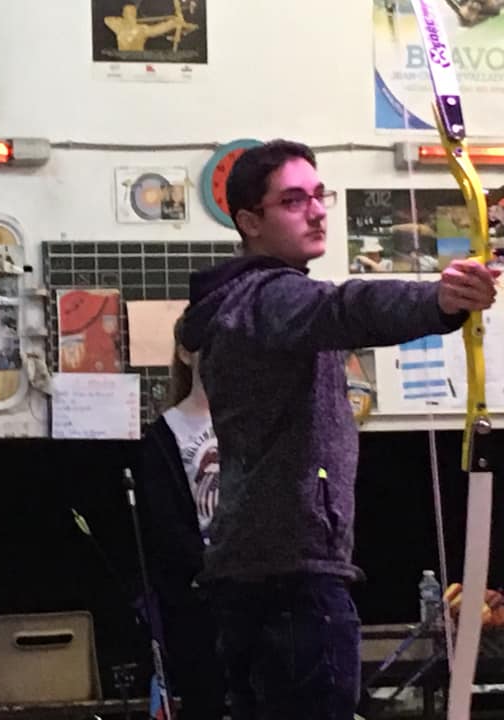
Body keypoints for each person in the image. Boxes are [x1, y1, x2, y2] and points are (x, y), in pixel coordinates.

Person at [177, 139, 499, 720]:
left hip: (258, 574)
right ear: (249, 221)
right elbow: (347, 307)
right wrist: (440, 300)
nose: (316, 211)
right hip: (293, 582)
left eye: (317, 195)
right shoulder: (268, 298)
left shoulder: (245, 302)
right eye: (292, 200)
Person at [134, 321, 226, 720]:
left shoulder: (247, 422)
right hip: (197, 599)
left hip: (251, 589)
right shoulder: (163, 435)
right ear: (186, 354)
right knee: (205, 699)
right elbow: (164, 523)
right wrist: (208, 566)